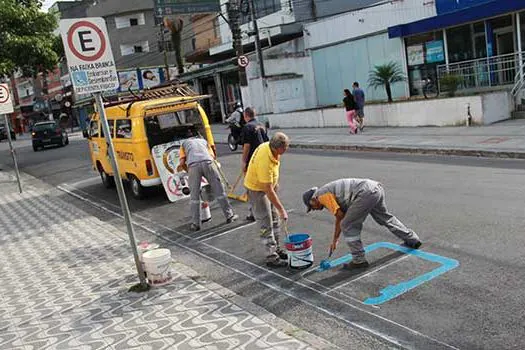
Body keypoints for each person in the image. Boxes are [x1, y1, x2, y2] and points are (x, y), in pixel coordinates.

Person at [303, 178, 422, 268]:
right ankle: (412, 239)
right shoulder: (326, 191)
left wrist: (335, 239)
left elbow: (340, 217)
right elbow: (341, 215)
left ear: (313, 199)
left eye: (311, 206)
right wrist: (335, 239)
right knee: (385, 217)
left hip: (364, 194)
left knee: (347, 225)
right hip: (375, 188)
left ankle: (359, 260)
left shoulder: (321, 196)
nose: (313, 209)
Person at [244, 132, 290, 268]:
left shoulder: (269, 148)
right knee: (265, 222)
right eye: (285, 148)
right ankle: (271, 256)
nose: (286, 150)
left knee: (275, 219)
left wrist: (276, 186)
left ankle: (276, 248)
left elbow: (271, 184)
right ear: (277, 148)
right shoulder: (265, 161)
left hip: (266, 186)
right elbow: (267, 189)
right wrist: (282, 209)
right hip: (257, 190)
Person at [178, 131, 238, 231]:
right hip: (208, 163)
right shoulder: (203, 141)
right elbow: (213, 156)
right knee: (219, 191)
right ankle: (229, 216)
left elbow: (182, 162)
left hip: (193, 166)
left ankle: (195, 224)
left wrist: (188, 170)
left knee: (194, 196)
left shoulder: (184, 144)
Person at [240, 107, 269, 222]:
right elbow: (267, 142)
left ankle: (252, 212)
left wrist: (243, 161)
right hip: (263, 158)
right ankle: (268, 207)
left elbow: (246, 146)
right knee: (264, 184)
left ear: (245, 115)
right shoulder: (261, 125)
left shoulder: (247, 127)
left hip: (253, 161)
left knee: (251, 186)